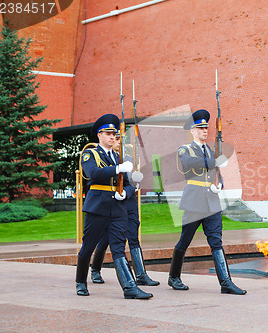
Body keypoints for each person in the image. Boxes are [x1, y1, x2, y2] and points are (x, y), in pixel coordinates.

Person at [167, 109, 246, 295]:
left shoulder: (210, 150)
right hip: (194, 201)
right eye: (200, 128)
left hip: (211, 201)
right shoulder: (185, 149)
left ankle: (226, 282)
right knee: (184, 241)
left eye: (206, 128)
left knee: (216, 241)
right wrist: (215, 162)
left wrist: (220, 185)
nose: (205, 131)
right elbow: (191, 164)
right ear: (193, 131)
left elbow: (216, 174)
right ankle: (174, 277)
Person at [75, 114, 152, 299]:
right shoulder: (90, 154)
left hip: (118, 208)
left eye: (114, 134)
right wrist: (118, 169)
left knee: (118, 247)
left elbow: (126, 182)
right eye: (108, 133)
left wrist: (125, 192)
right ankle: (80, 281)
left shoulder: (118, 157)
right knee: (89, 246)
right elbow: (93, 173)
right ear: (99, 135)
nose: (112, 137)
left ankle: (130, 287)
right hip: (98, 207)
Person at [90, 136, 159, 286]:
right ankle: (95, 269)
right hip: (112, 202)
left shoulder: (127, 158)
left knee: (133, 236)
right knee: (106, 239)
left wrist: (135, 182)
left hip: (128, 201)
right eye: (116, 139)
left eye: (120, 139)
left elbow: (129, 181)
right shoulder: (104, 157)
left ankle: (141, 274)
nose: (118, 142)